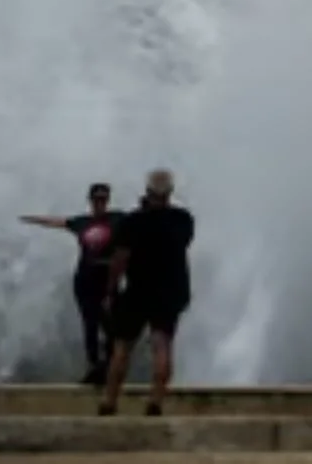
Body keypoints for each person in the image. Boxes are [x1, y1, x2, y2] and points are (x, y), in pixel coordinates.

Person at [97, 169, 195, 417]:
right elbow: (180, 243)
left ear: (147, 191)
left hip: (138, 290)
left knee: (122, 347)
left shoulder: (132, 222)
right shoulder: (183, 220)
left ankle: (109, 401)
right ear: (170, 192)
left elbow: (120, 259)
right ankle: (156, 401)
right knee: (162, 345)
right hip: (171, 290)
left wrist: (110, 291)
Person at [19, 182, 125, 385]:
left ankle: (109, 365)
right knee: (90, 324)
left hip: (108, 278)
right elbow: (58, 222)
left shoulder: (117, 219)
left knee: (112, 326)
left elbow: (140, 224)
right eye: (96, 199)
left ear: (108, 200)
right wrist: (31, 219)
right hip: (85, 279)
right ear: (90, 200)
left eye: (103, 199)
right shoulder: (82, 222)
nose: (100, 203)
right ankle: (94, 366)